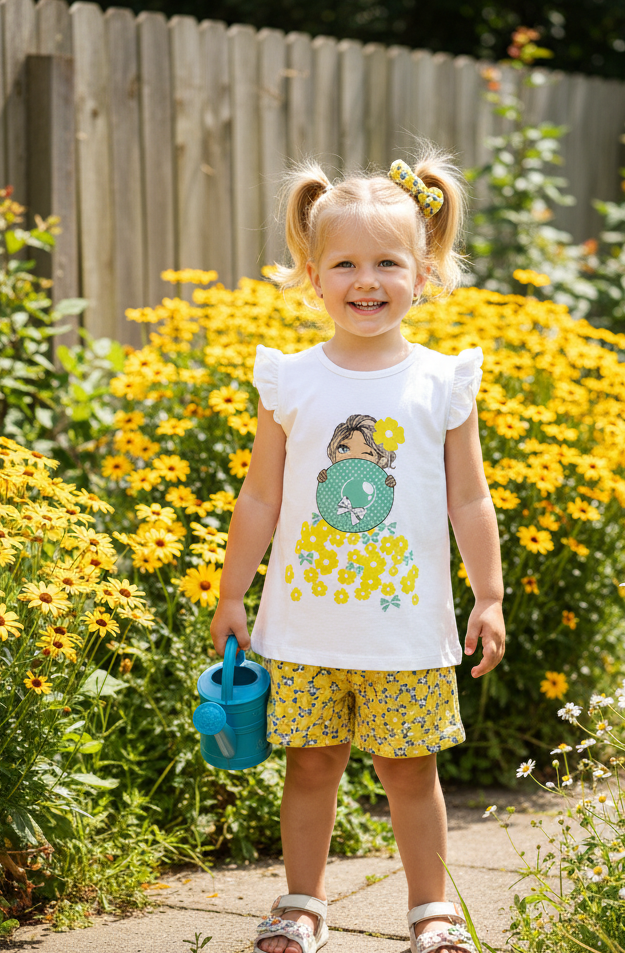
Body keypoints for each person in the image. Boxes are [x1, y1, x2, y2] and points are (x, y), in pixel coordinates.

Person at [209, 151, 506, 953]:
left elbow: (468, 498)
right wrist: (233, 594)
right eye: (344, 262)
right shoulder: (291, 381)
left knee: (411, 772)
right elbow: (261, 498)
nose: (365, 280)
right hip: (305, 631)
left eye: (387, 262)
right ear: (312, 272)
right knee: (310, 767)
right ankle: (303, 903)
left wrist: (489, 596)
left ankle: (431, 912)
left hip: (405, 635)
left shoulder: (442, 383)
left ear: (426, 270)